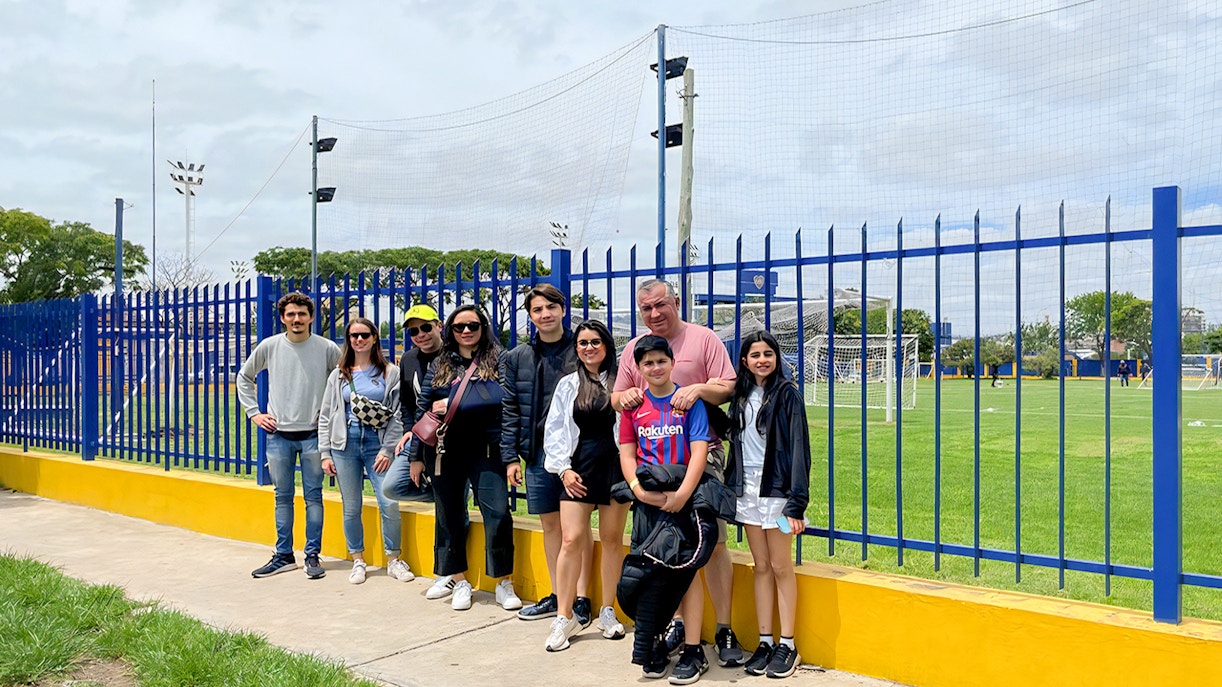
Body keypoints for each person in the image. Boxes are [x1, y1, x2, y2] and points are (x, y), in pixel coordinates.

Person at [611, 279, 743, 667]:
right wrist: (626, 397)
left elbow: (729, 388)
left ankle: (724, 627)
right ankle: (682, 626)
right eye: (645, 309)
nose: (654, 314)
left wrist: (699, 388)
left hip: (701, 458)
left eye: (660, 305)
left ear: (676, 302)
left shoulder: (704, 339)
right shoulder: (635, 350)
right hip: (654, 466)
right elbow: (618, 398)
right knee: (665, 548)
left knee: (711, 544)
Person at [409, 305, 521, 612]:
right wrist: (415, 456)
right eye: (459, 327)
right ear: (450, 331)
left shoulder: (501, 360)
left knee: (497, 513)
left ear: (483, 327)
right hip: (445, 450)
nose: (467, 331)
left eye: (473, 325)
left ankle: (502, 581)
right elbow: (423, 411)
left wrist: (511, 454)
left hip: (487, 449)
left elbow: (509, 406)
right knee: (449, 514)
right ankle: (458, 580)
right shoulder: (440, 364)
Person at [619, 335, 713, 684]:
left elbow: (700, 451)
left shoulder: (689, 402)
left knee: (686, 574)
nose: (655, 368)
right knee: (650, 577)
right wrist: (637, 490)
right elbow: (627, 453)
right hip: (646, 502)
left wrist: (683, 494)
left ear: (672, 362)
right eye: (647, 363)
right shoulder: (634, 406)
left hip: (684, 503)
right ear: (639, 369)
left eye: (661, 360)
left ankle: (692, 649)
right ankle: (655, 642)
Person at [500, 284, 588, 624]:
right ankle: (557, 594)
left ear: (563, 309)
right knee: (551, 526)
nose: (545, 314)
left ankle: (581, 599)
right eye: (537, 309)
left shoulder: (580, 348)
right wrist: (511, 457)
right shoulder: (518, 357)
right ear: (531, 315)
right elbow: (509, 409)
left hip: (577, 454)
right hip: (537, 455)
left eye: (551, 307)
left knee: (576, 530)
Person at [237, 292, 341, 579]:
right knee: (282, 496)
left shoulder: (327, 348)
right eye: (291, 314)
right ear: (282, 318)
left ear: (311, 317)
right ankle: (284, 555)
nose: (297, 319)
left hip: (314, 435)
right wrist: (254, 413)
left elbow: (344, 380)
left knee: (314, 497)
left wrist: (331, 416)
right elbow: (244, 377)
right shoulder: (269, 346)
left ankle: (312, 555)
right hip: (278, 435)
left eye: (302, 314)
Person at [727, 331, 811, 679]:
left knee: (780, 566)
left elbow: (799, 450)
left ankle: (787, 644)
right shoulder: (740, 395)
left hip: (777, 493)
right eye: (754, 354)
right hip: (747, 492)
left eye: (768, 353)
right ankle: (764, 640)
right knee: (760, 566)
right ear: (744, 360)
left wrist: (796, 504)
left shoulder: (787, 395)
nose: (762, 359)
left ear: (776, 357)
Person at [541, 320, 628, 651]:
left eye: (595, 342)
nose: (589, 348)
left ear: (607, 345)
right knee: (571, 539)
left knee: (611, 540)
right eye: (582, 343)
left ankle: (608, 610)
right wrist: (563, 470)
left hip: (616, 468)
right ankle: (565, 616)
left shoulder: (621, 381)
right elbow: (556, 430)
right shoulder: (568, 385)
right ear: (576, 349)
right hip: (579, 469)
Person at [316, 317, 411, 585]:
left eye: (364, 335)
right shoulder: (339, 374)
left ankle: (394, 559)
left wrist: (387, 449)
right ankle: (358, 559)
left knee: (388, 501)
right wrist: (325, 452)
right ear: (348, 340)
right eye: (354, 335)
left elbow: (397, 415)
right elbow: (327, 414)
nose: (359, 339)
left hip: (376, 444)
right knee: (351, 506)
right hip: (344, 444)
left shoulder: (390, 372)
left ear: (374, 338)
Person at [385, 303, 464, 600]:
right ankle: (446, 496)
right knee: (392, 485)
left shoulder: (454, 358)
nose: (420, 335)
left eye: (426, 327)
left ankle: (448, 573)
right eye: (414, 331)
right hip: (420, 439)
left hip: (451, 443)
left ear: (439, 326)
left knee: (450, 511)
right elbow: (407, 403)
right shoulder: (408, 360)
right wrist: (410, 432)